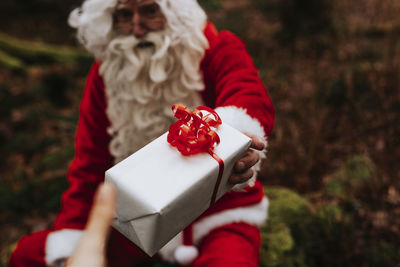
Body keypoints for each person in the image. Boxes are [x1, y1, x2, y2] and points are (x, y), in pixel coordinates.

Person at [9, 0, 275, 266]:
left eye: (149, 11)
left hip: (216, 213)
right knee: (30, 254)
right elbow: (89, 166)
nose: (136, 28)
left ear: (174, 11)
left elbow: (247, 94)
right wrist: (73, 238)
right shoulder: (107, 73)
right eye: (125, 15)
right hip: (134, 219)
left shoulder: (215, 46)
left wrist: (234, 143)